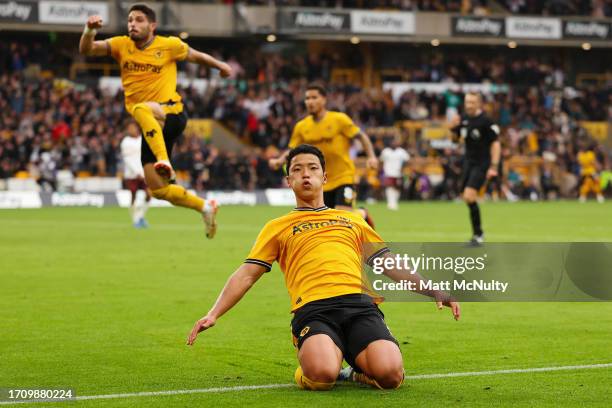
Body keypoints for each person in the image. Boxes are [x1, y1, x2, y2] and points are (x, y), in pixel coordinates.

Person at [187, 144, 460, 391]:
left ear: (325, 178)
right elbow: (247, 274)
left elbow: (388, 262)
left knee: (391, 377)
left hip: (360, 306)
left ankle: (355, 373)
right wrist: (214, 314)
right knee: (321, 377)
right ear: (289, 181)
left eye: (313, 168)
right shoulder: (276, 227)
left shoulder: (351, 219)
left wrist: (433, 290)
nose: (306, 174)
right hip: (314, 310)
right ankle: (317, 363)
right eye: (297, 169)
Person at [78, 3, 231, 238]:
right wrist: (89, 31)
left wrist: (220, 65)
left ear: (152, 25)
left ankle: (164, 161)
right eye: (130, 20)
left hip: (172, 114)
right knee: (158, 190)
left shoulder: (168, 45)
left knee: (140, 108)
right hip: (151, 126)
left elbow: (195, 55)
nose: (133, 24)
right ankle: (204, 207)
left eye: (139, 20)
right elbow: (87, 50)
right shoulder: (121, 45)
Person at [268, 83, 379, 228]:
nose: (310, 102)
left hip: (343, 176)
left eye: (314, 97)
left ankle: (355, 225)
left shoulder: (339, 119)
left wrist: (371, 156)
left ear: (324, 100)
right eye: (307, 98)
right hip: (320, 181)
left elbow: (361, 136)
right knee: (326, 218)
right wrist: (279, 161)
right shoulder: (301, 127)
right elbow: (293, 150)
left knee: (340, 217)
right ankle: (361, 213)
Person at [450, 93, 501, 245]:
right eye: (467, 102)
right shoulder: (463, 119)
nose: (469, 105)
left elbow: (496, 144)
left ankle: (478, 235)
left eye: (472, 102)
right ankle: (477, 235)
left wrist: (494, 166)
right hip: (468, 162)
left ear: (479, 104)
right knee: (466, 197)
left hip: (482, 163)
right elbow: (455, 141)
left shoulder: (486, 121)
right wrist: (452, 129)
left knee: (469, 196)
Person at [121, 122, 151, 228]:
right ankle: (135, 220)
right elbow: (127, 159)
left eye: (132, 128)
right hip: (131, 174)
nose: (130, 130)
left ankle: (141, 216)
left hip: (144, 173)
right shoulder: (125, 142)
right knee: (133, 195)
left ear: (137, 128)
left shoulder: (143, 140)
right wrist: (137, 172)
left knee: (149, 194)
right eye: (129, 128)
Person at [380, 139, 409, 210]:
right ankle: (390, 203)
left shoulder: (401, 151)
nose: (394, 143)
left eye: (395, 142)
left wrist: (403, 168)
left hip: (398, 173)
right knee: (389, 187)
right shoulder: (385, 151)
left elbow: (407, 160)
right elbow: (381, 160)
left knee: (397, 188)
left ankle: (395, 202)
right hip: (388, 172)